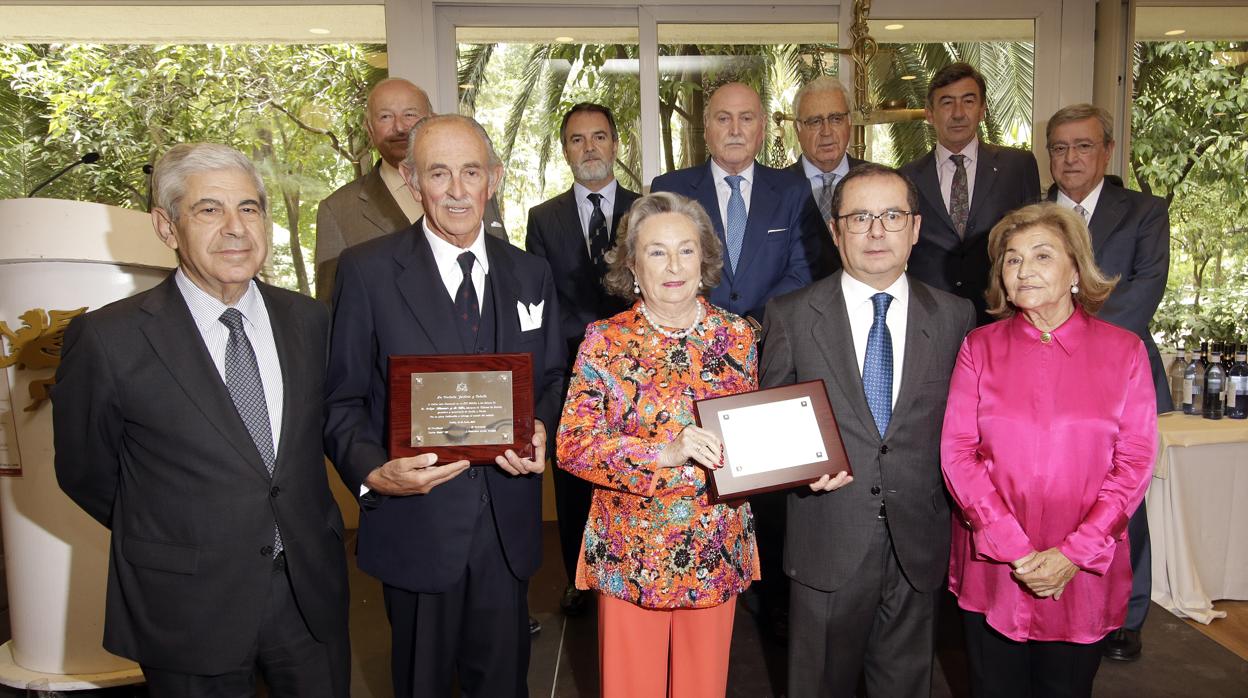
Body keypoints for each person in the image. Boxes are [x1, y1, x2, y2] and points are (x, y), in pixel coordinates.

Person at [53, 143, 350, 697]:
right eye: (209, 210)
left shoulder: (310, 320)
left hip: (307, 591)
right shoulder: (109, 339)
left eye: (250, 208)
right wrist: (179, 534)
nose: (235, 228)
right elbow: (84, 472)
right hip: (187, 602)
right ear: (167, 227)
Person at [323, 113, 564, 698]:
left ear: (494, 178)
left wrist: (541, 430)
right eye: (438, 173)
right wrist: (372, 471)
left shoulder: (531, 273)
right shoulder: (367, 272)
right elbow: (341, 400)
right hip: (417, 523)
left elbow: (554, 377)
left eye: (470, 172)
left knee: (506, 685)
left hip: (507, 528)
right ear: (412, 181)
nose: (457, 191)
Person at [760, 163, 976, 698]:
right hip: (826, 541)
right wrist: (795, 472)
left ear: (916, 228)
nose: (876, 231)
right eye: (859, 218)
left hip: (918, 545)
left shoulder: (955, 316)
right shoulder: (789, 316)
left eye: (891, 215)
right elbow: (766, 426)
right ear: (835, 231)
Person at [941, 203, 1157, 697]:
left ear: (1076, 270)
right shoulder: (979, 347)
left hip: (1081, 573)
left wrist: (1073, 554)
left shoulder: (1124, 351)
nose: (1024, 269)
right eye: (1012, 259)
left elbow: (1135, 463)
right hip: (994, 566)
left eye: (1041, 255)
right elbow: (958, 453)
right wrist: (1015, 550)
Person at [557, 191, 759, 698]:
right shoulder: (604, 339)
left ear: (704, 258)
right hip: (631, 548)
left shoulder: (737, 336)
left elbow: (751, 433)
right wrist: (660, 454)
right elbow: (573, 445)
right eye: (656, 252)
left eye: (686, 250)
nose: (674, 266)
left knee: (703, 689)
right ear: (632, 266)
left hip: (715, 541)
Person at [1044, 103, 1171, 662]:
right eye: (1060, 147)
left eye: (1083, 146)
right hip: (1037, 380)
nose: (1071, 158)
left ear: (1107, 152)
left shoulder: (1143, 212)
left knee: (1121, 496)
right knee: (1047, 490)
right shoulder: (1029, 213)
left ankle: (1127, 612)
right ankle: (1053, 591)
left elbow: (1144, 291)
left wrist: (1073, 344)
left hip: (1117, 379)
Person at [525, 102, 640, 617]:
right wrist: (586, 345)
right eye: (577, 139)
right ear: (565, 150)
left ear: (616, 144)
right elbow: (541, 301)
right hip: (574, 367)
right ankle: (580, 578)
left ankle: (632, 565)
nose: (589, 147)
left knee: (630, 464)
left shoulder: (647, 208)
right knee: (574, 477)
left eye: (599, 136)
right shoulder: (542, 218)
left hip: (640, 368)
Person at [314, 78, 506, 300]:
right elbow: (332, 307)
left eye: (410, 115)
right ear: (369, 128)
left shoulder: (474, 190)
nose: (400, 127)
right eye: (385, 116)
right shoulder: (338, 209)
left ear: (432, 121)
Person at [651, 81, 822, 321]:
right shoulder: (670, 190)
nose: (735, 130)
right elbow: (657, 268)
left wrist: (755, 323)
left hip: (770, 341)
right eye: (723, 119)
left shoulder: (793, 191)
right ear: (706, 127)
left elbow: (803, 270)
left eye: (746, 119)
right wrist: (711, 328)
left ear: (762, 128)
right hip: (692, 340)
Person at [899, 62, 1040, 324]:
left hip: (1000, 313)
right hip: (930, 318)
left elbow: (1035, 238)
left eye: (968, 101)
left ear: (982, 110)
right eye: (947, 103)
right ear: (930, 113)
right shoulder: (905, 177)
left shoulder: (1017, 166)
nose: (958, 113)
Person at [785, 75, 868, 278]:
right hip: (798, 304)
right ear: (798, 128)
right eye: (814, 121)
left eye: (836, 119)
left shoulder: (875, 181)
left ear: (849, 122)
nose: (826, 132)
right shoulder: (777, 189)